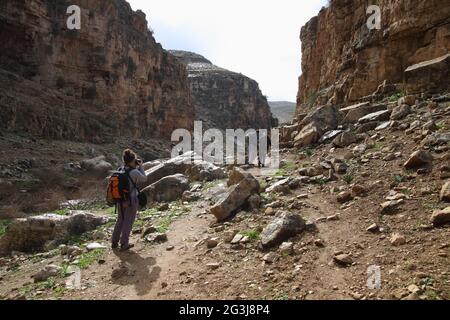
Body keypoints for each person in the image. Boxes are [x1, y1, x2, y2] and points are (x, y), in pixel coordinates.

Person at [112, 149, 147, 251]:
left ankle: (114, 242)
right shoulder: (135, 171)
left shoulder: (120, 169)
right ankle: (124, 244)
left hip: (120, 199)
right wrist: (141, 166)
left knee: (120, 220)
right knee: (128, 221)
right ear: (132, 160)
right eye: (135, 160)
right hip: (131, 200)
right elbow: (144, 178)